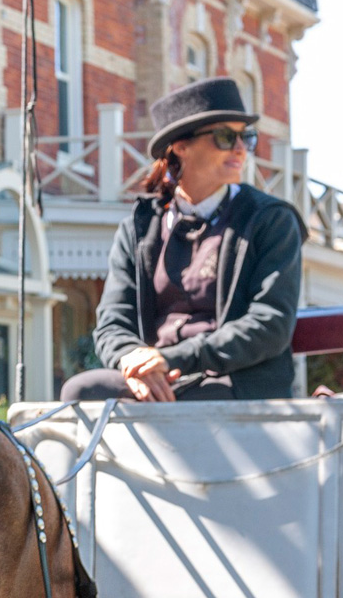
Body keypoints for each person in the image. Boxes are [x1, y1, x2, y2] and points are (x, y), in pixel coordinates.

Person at [61, 78, 304, 403]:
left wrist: (172, 359)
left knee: (201, 399)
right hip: (158, 379)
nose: (240, 148)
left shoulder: (271, 219)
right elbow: (112, 322)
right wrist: (132, 361)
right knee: (81, 390)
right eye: (225, 136)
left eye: (247, 136)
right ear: (180, 146)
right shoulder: (138, 229)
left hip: (235, 381)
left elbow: (270, 324)